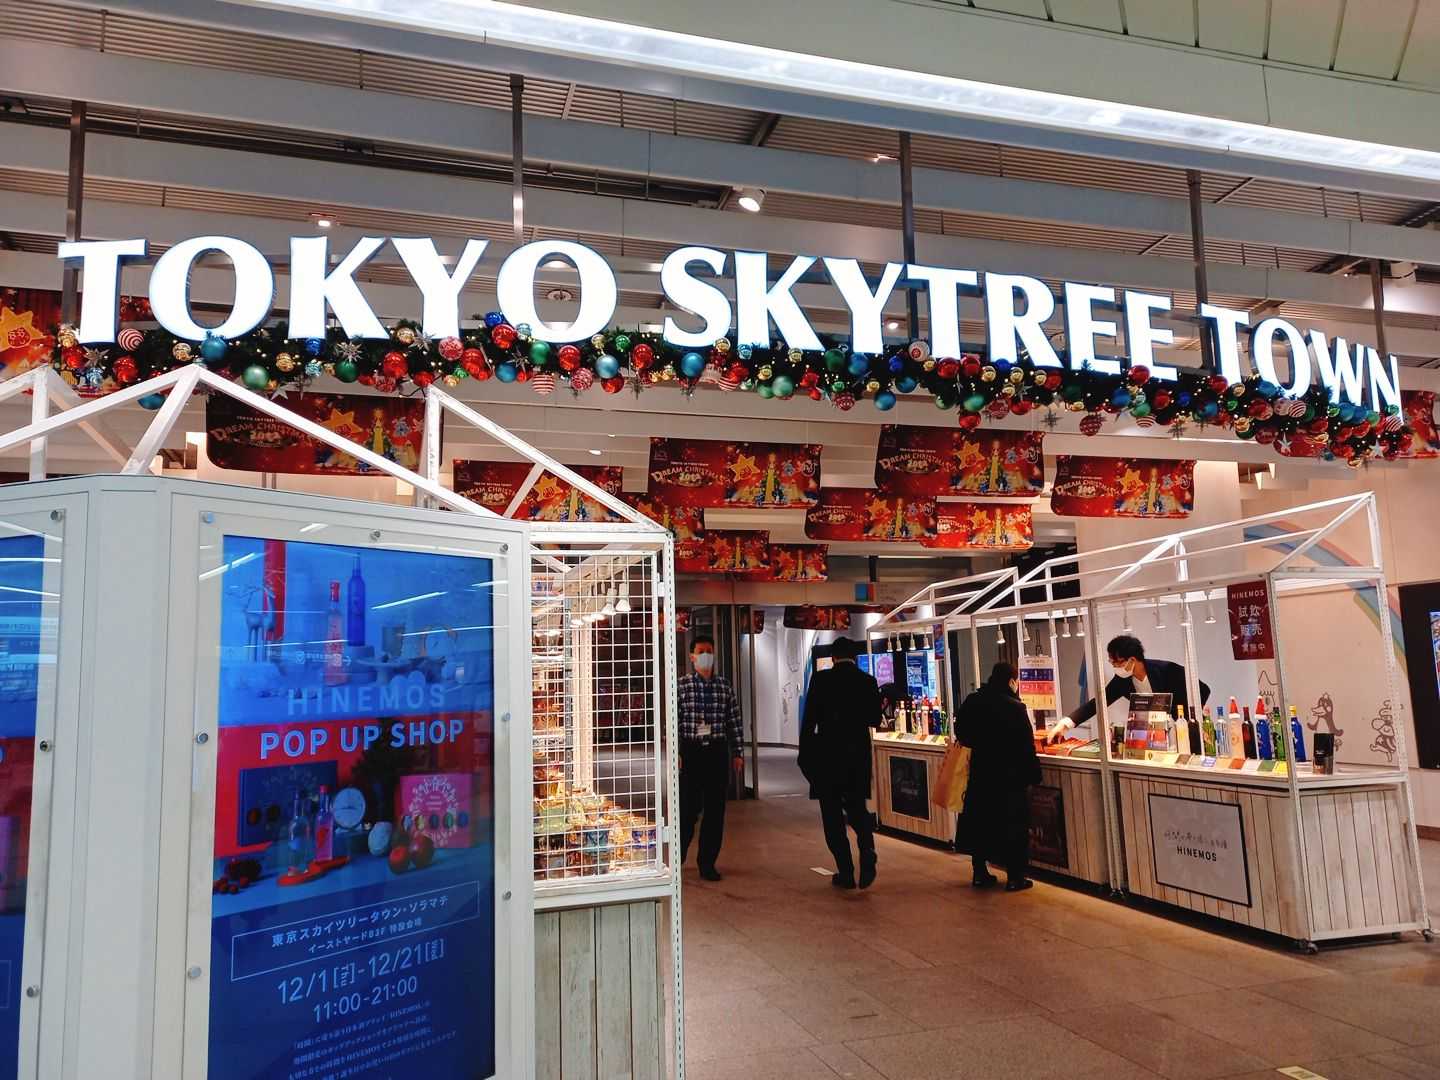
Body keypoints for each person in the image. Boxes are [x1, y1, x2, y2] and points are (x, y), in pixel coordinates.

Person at [798, 637, 882, 890]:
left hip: (829, 757)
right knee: (857, 809)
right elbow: (874, 719)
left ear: (833, 657)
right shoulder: (868, 681)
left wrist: (805, 753)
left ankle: (846, 872)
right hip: (857, 756)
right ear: (854, 657)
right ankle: (867, 850)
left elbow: (809, 720)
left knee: (832, 816)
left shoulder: (821, 680)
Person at [954, 662, 1042, 892]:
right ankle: (1015, 877)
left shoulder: (974, 701)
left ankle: (979, 873)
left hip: (981, 772)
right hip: (1010, 777)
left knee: (980, 823)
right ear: (1011, 681)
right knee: (1013, 825)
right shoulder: (1015, 707)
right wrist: (1034, 774)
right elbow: (1026, 745)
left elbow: (961, 733)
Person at [1045, 633, 1210, 742]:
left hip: (1181, 730)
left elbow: (1203, 689)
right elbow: (1098, 702)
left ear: (1132, 660)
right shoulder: (1122, 680)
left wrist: (1188, 717)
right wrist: (1066, 724)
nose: (1114, 667)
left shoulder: (1167, 670)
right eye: (1112, 662)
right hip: (1151, 735)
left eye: (1117, 662)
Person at [677, 634, 744, 881]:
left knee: (715, 812)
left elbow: (734, 721)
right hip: (691, 752)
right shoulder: (682, 686)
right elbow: (673, 722)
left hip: (716, 752)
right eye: (701, 651)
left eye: (709, 651)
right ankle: (678, 858)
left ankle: (707, 864)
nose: (706, 655)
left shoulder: (724, 686)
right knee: (688, 811)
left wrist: (737, 753)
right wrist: (676, 752)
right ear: (692, 656)